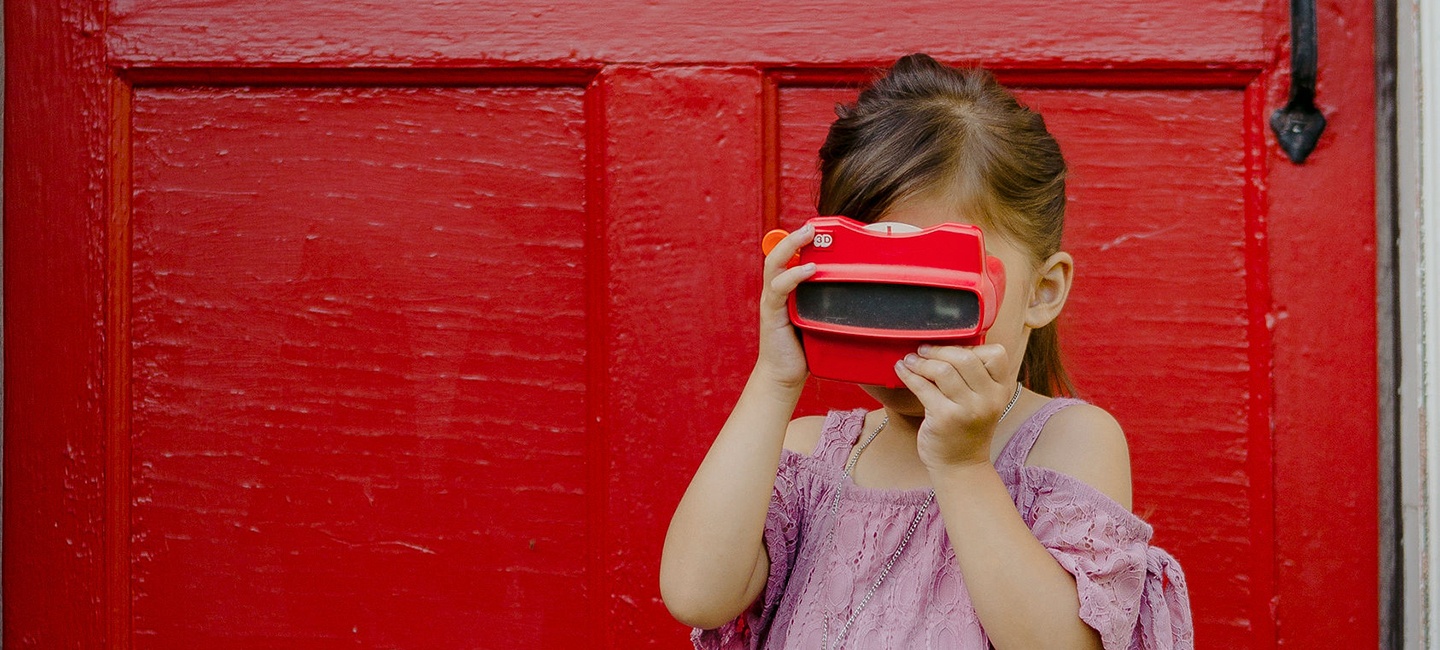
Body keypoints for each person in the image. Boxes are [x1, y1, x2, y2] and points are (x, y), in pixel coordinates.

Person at [658, 53, 1193, 649]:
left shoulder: (1066, 442)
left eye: (935, 292)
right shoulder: (811, 457)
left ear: (1042, 292)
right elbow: (696, 594)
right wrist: (775, 377)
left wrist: (964, 467)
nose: (900, 328)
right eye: (866, 286)